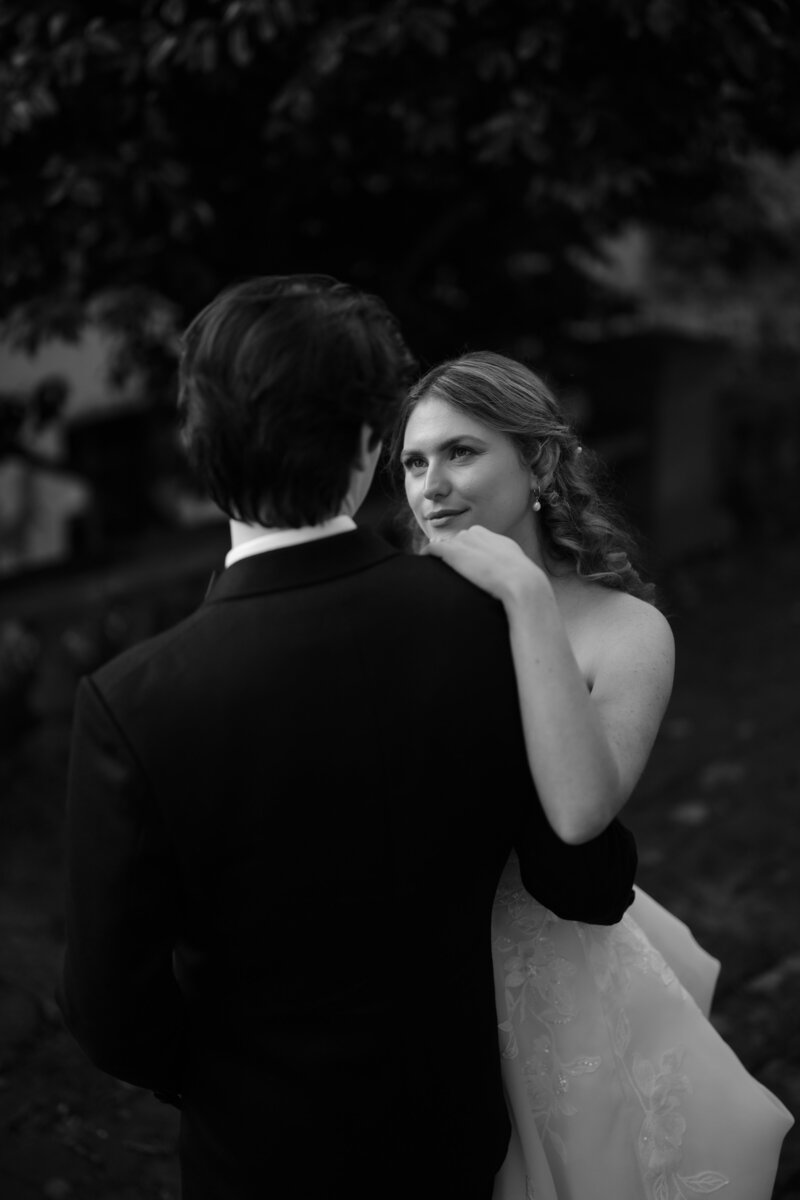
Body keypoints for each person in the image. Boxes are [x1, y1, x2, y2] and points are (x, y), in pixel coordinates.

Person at [57, 277, 640, 1200]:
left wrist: (222, 1080)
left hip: (262, 1157)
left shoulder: (132, 704)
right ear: (372, 447)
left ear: (195, 448)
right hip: (453, 1132)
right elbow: (584, 878)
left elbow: (110, 1012)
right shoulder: (486, 618)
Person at [395, 350, 794, 1200]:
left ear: (538, 462)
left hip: (551, 972)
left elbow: (579, 811)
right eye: (413, 461)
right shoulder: (395, 617)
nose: (431, 484)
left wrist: (527, 598)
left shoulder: (626, 630)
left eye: (462, 452)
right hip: (413, 974)